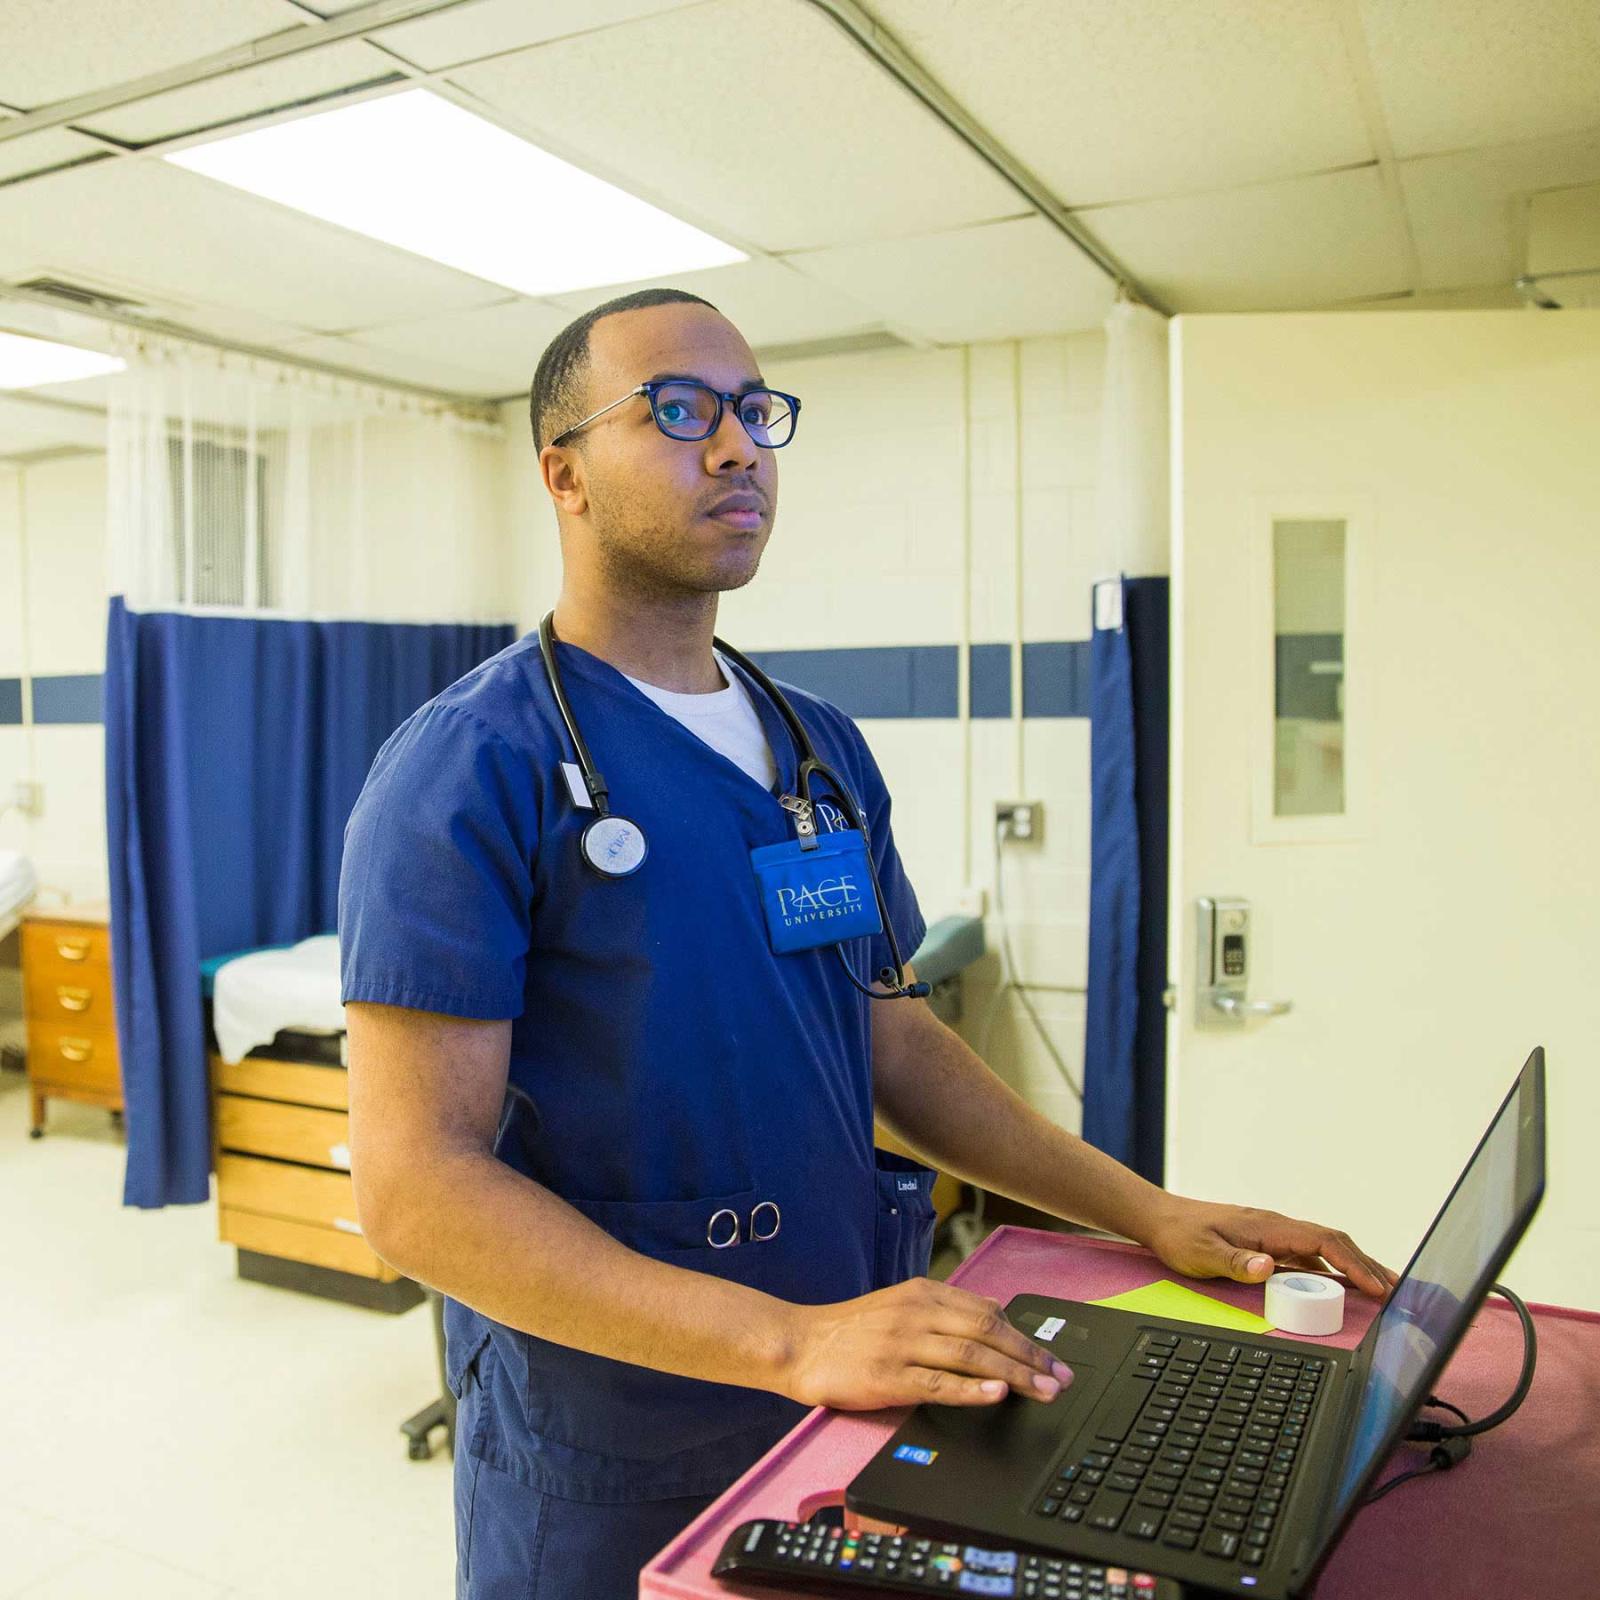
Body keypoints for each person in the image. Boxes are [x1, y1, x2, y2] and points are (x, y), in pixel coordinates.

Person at [337, 287, 1396, 1600]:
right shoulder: (468, 768)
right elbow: (416, 1188)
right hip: (617, 1423)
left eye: (755, 411)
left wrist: (1148, 1211)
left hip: (850, 1370)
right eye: (679, 410)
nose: (738, 446)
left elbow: (891, 1040)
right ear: (565, 474)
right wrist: (785, 1343)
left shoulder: (818, 749)